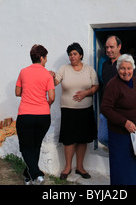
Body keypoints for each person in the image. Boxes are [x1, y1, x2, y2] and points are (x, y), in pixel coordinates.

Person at [101, 54, 136, 185]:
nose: (126, 72)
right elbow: (105, 108)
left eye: (129, 68)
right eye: (122, 68)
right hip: (120, 136)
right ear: (118, 69)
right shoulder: (113, 85)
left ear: (133, 68)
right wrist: (125, 122)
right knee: (122, 169)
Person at [52, 42, 99, 180]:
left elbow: (96, 86)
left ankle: (80, 167)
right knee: (69, 140)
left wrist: (86, 93)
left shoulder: (89, 69)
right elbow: (55, 82)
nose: (72, 56)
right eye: (70, 54)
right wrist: (50, 76)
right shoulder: (64, 69)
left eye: (74, 54)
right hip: (68, 110)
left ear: (81, 55)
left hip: (85, 110)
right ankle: (67, 167)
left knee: (82, 139)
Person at [15, 44, 55, 185]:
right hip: (43, 116)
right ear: (41, 57)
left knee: (26, 146)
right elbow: (51, 96)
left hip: (25, 115)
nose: (46, 61)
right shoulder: (47, 74)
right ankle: (30, 174)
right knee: (35, 145)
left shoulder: (23, 72)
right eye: (46, 58)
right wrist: (47, 105)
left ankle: (35, 173)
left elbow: (17, 92)